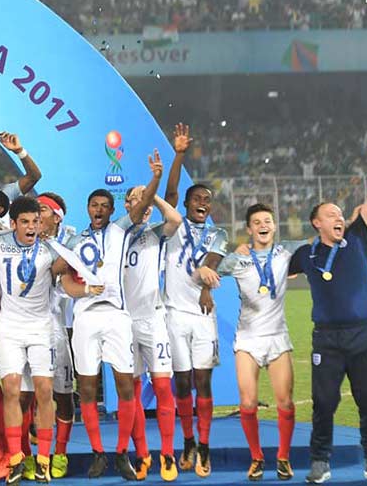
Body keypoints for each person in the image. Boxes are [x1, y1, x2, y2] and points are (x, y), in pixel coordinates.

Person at [291, 144, 367, 485]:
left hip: (363, 335)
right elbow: (276, 266)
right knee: (323, 403)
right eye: (331, 214)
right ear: (316, 222)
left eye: (340, 213)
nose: (339, 217)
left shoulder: (358, 237)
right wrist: (248, 249)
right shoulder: (306, 254)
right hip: (327, 340)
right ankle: (320, 461)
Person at [0, 197, 74, 484]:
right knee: (11, 391)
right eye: (25, 222)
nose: (32, 226)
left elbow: (67, 270)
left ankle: (43, 458)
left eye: (35, 220)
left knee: (44, 391)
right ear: (13, 224)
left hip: (41, 328)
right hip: (9, 328)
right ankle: (18, 458)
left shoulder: (49, 249)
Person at [208, 203, 302, 481]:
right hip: (247, 340)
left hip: (277, 338)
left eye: (268, 221)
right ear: (249, 229)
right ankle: (257, 458)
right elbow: (210, 268)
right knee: (247, 403)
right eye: (257, 222)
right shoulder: (238, 259)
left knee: (285, 402)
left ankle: (283, 458)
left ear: (274, 226)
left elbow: (317, 244)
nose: (263, 225)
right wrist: (211, 266)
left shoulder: (287, 251)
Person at [163, 123, 229, 478]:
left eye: (207, 200)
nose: (203, 203)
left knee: (203, 381)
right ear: (187, 203)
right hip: (175, 313)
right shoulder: (174, 225)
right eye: (197, 199)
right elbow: (170, 191)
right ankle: (187, 440)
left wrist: (206, 285)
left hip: (204, 315)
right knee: (183, 381)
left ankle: (204, 445)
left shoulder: (219, 233)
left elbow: (213, 262)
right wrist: (179, 154)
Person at [116, 150, 183, 482]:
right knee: (130, 389)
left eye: (142, 199)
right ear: (125, 206)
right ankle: (142, 453)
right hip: (122, 323)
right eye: (133, 199)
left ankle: (168, 453)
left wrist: (152, 193)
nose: (139, 202)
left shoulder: (155, 233)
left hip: (153, 320)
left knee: (162, 386)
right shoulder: (114, 236)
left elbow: (177, 220)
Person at [65, 189, 139, 481]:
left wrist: (157, 177)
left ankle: (122, 453)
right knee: (86, 387)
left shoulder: (120, 230)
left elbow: (142, 205)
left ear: (112, 210)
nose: (99, 210)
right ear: (87, 208)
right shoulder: (73, 240)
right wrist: (83, 289)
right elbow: (64, 280)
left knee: (125, 385)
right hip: (84, 316)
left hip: (116, 314)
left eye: (104, 206)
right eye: (94, 205)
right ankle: (98, 453)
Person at [36, 192, 78, 480]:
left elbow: (55, 270)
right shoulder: (24, 238)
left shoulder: (72, 240)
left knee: (63, 394)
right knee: (29, 395)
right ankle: (34, 454)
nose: (36, 216)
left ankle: (60, 452)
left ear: (57, 216)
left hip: (57, 326)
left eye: (42, 210)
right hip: (26, 325)